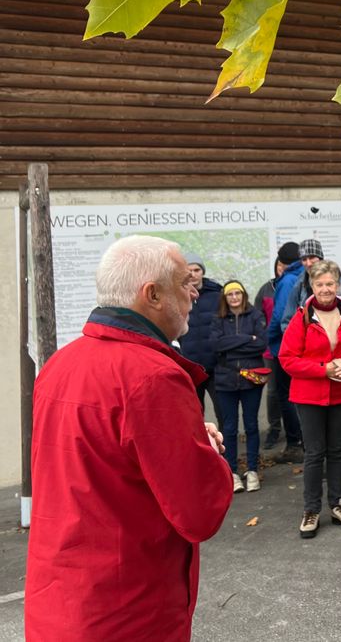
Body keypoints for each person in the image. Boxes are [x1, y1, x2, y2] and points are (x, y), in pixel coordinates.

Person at [25, 236, 233, 642]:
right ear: (151, 294)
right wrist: (206, 451)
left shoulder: (61, 363)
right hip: (127, 610)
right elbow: (199, 511)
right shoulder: (153, 376)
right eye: (182, 282)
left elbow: (99, 456)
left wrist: (183, 436)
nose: (193, 292)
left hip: (59, 599)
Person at [279, 260, 341, 538]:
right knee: (315, 453)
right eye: (319, 284)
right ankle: (311, 509)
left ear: (338, 285)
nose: (325, 289)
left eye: (330, 283)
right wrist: (323, 370)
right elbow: (287, 359)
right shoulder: (302, 317)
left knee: (338, 450)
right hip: (308, 396)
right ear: (312, 286)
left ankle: (337, 503)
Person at [268, 238, 324, 462]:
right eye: (305, 258)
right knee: (308, 411)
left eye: (313, 257)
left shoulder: (339, 280)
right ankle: (312, 455)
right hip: (306, 359)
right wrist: (301, 341)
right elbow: (285, 320)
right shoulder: (297, 284)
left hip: (331, 361)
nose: (309, 262)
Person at [210, 280, 269, 493]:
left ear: (244, 295)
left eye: (238, 293)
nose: (234, 298)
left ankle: (252, 469)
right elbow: (216, 346)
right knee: (230, 428)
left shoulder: (255, 316)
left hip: (251, 379)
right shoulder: (218, 319)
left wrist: (232, 343)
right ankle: (232, 471)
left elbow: (261, 345)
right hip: (226, 380)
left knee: (252, 425)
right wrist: (246, 339)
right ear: (225, 298)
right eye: (230, 295)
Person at [255, 241, 300, 449]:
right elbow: (259, 315)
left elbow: (280, 316)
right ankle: (280, 431)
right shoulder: (269, 287)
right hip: (279, 348)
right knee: (277, 392)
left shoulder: (288, 281)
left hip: (283, 347)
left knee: (288, 394)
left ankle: (294, 438)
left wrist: (272, 337)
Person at [179, 252, 223, 424]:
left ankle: (224, 450)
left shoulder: (217, 294)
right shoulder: (179, 295)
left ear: (202, 271)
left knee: (223, 413)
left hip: (214, 367)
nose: (193, 274)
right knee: (195, 416)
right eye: (189, 270)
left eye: (197, 269)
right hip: (190, 367)